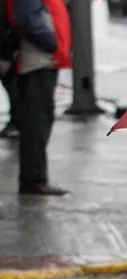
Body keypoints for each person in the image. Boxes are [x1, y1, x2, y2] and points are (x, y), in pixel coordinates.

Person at [7, 0, 69, 195]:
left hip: (42, 57)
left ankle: (34, 177)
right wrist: (52, 43)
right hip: (38, 58)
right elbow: (27, 18)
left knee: (39, 117)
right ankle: (33, 178)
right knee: (37, 119)